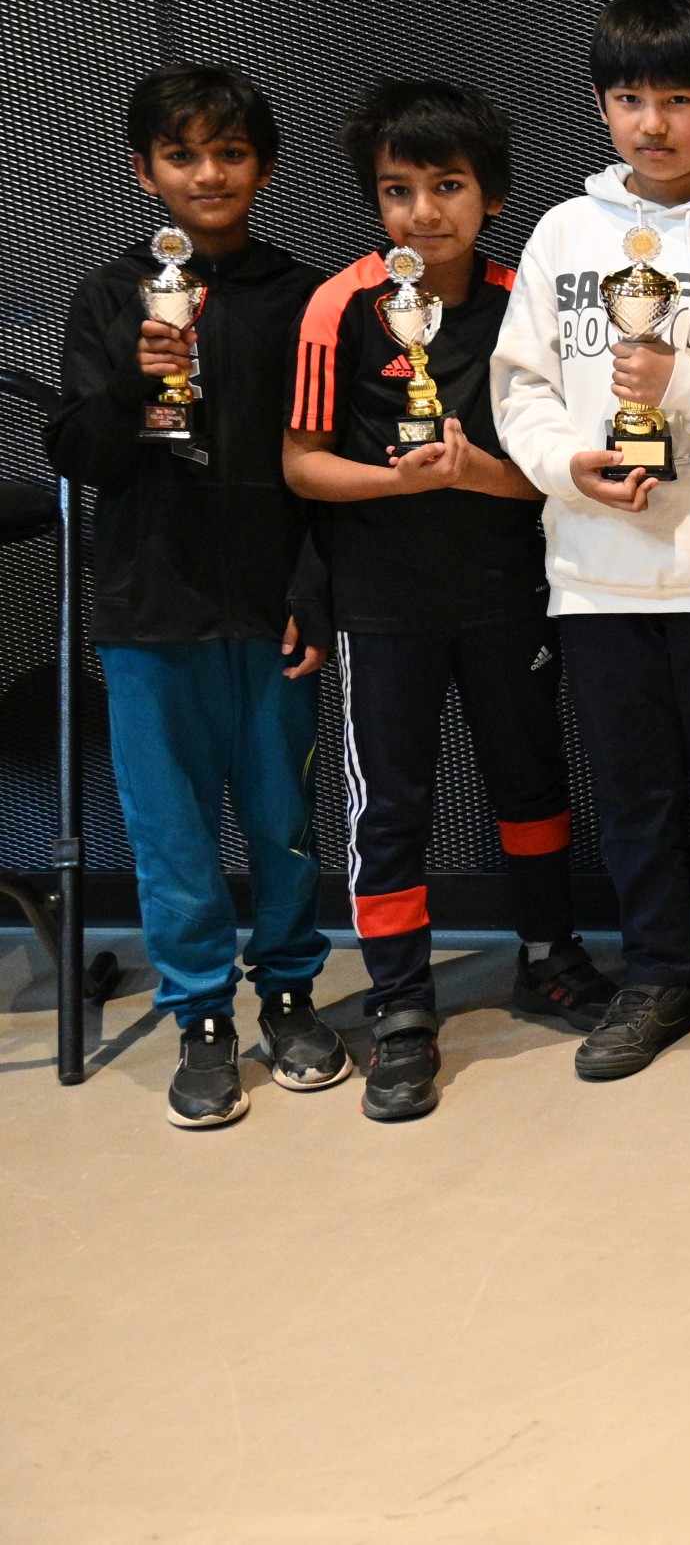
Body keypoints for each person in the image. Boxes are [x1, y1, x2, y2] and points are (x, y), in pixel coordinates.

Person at [491, 0, 690, 1083]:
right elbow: (520, 390)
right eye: (630, 98)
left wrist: (683, 383)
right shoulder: (562, 233)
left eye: (678, 99)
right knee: (633, 794)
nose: (653, 122)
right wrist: (566, 467)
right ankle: (655, 977)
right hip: (598, 569)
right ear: (600, 106)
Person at [284, 79, 615, 1122]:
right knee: (390, 808)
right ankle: (401, 1003)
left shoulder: (527, 302)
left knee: (532, 782)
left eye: (447, 186)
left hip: (509, 591)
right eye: (398, 189)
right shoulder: (340, 305)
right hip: (382, 606)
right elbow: (300, 463)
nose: (422, 211)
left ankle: (550, 954)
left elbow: (557, 473)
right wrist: (398, 484)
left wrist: (474, 474)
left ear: (493, 195)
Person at [46, 64, 342, 1129]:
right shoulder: (108, 296)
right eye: (182, 155)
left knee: (283, 822)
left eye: (229, 153)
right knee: (171, 836)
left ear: (263, 166)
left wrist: (314, 587)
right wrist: (136, 377)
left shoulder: (306, 297)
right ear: (144, 172)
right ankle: (201, 1016)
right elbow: (79, 452)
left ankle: (292, 994)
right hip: (149, 610)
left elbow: (329, 458)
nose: (207, 174)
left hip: (272, 608)